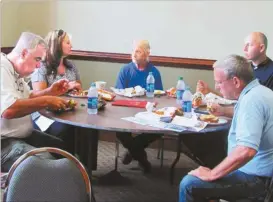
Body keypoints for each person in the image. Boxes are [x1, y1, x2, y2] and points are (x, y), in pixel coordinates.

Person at [179, 55, 273, 202]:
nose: (216, 87)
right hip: (262, 172)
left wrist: (212, 174)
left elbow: (247, 150)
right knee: (212, 160)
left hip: (258, 180)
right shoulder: (260, 92)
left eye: (219, 82)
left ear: (235, 81)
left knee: (189, 184)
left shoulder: (251, 101)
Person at [1, 32, 71, 172]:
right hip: (4, 142)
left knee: (64, 152)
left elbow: (27, 97)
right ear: (24, 53)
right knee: (47, 164)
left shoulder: (15, 71)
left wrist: (50, 92)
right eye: (37, 59)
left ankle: (78, 193)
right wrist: (46, 100)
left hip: (21, 136)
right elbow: (8, 110)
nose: (39, 65)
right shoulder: (2, 69)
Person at [196, 32, 273, 117]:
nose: (244, 49)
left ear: (261, 48)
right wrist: (209, 91)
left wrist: (224, 111)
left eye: (249, 45)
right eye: (244, 45)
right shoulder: (245, 67)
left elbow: (258, 109)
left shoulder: (271, 72)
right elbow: (233, 96)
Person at [115, 40, 163, 173]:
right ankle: (141, 158)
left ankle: (133, 150)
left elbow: (159, 96)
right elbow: (119, 93)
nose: (134, 54)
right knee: (120, 131)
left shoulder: (154, 72)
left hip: (147, 111)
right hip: (127, 111)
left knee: (158, 130)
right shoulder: (125, 70)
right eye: (133, 51)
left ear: (147, 53)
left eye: (138, 51)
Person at [31, 29, 81, 154]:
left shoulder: (71, 66)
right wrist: (67, 87)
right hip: (45, 115)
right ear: (57, 44)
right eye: (68, 43)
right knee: (66, 128)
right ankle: (62, 165)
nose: (72, 46)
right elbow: (39, 98)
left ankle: (84, 167)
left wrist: (76, 87)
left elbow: (79, 87)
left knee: (86, 129)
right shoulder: (41, 67)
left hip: (68, 111)